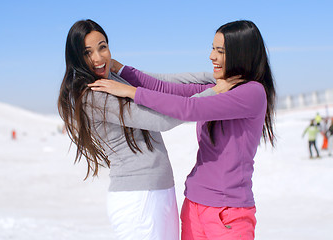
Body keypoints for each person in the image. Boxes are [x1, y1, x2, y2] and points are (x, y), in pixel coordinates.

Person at [90, 20, 276, 240]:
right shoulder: (219, 87)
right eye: (212, 48)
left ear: (240, 54)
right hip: (194, 206)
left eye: (220, 51)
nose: (211, 56)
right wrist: (121, 70)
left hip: (227, 213)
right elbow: (167, 87)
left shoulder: (251, 93)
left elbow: (190, 109)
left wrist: (132, 93)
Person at [57, 19, 217, 240]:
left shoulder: (115, 80)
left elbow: (169, 85)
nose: (97, 58)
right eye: (87, 53)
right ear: (76, 57)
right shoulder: (93, 96)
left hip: (158, 192)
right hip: (138, 198)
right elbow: (163, 119)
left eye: (102, 47)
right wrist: (216, 94)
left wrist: (219, 79)